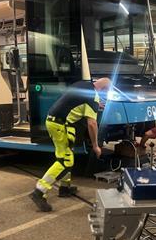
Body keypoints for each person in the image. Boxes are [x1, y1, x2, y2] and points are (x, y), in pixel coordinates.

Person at [30, 78, 111, 211]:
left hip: (54, 121)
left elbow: (76, 102)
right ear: (104, 90)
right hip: (60, 125)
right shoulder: (94, 97)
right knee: (65, 161)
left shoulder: (83, 84)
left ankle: (64, 187)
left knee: (68, 154)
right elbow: (92, 124)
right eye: (106, 93)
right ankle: (39, 191)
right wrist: (96, 146)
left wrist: (96, 106)